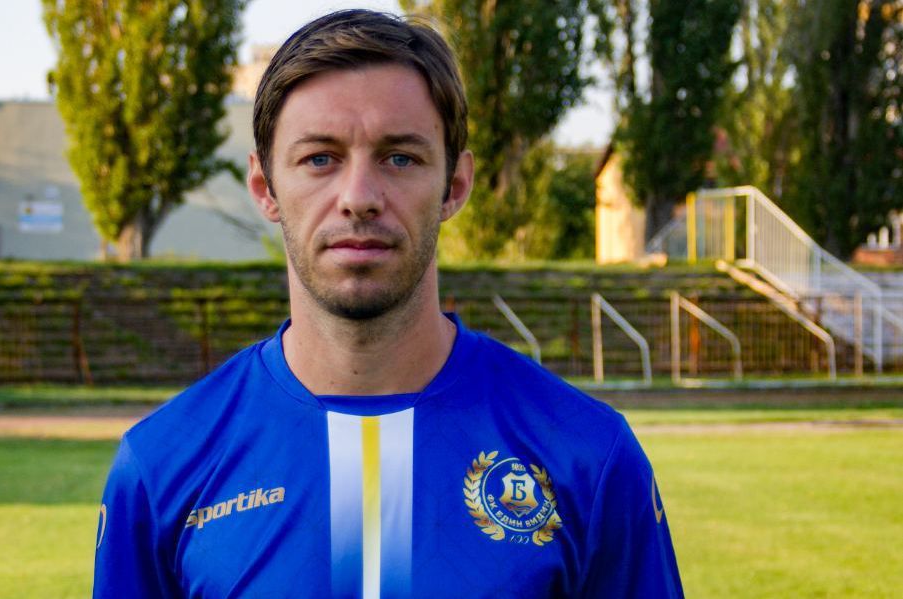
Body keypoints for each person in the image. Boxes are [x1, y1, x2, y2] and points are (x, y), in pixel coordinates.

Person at [93, 9, 683, 598]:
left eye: (400, 157)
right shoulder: (161, 467)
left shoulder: (588, 456)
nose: (359, 197)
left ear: (454, 185)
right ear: (265, 188)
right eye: (319, 158)